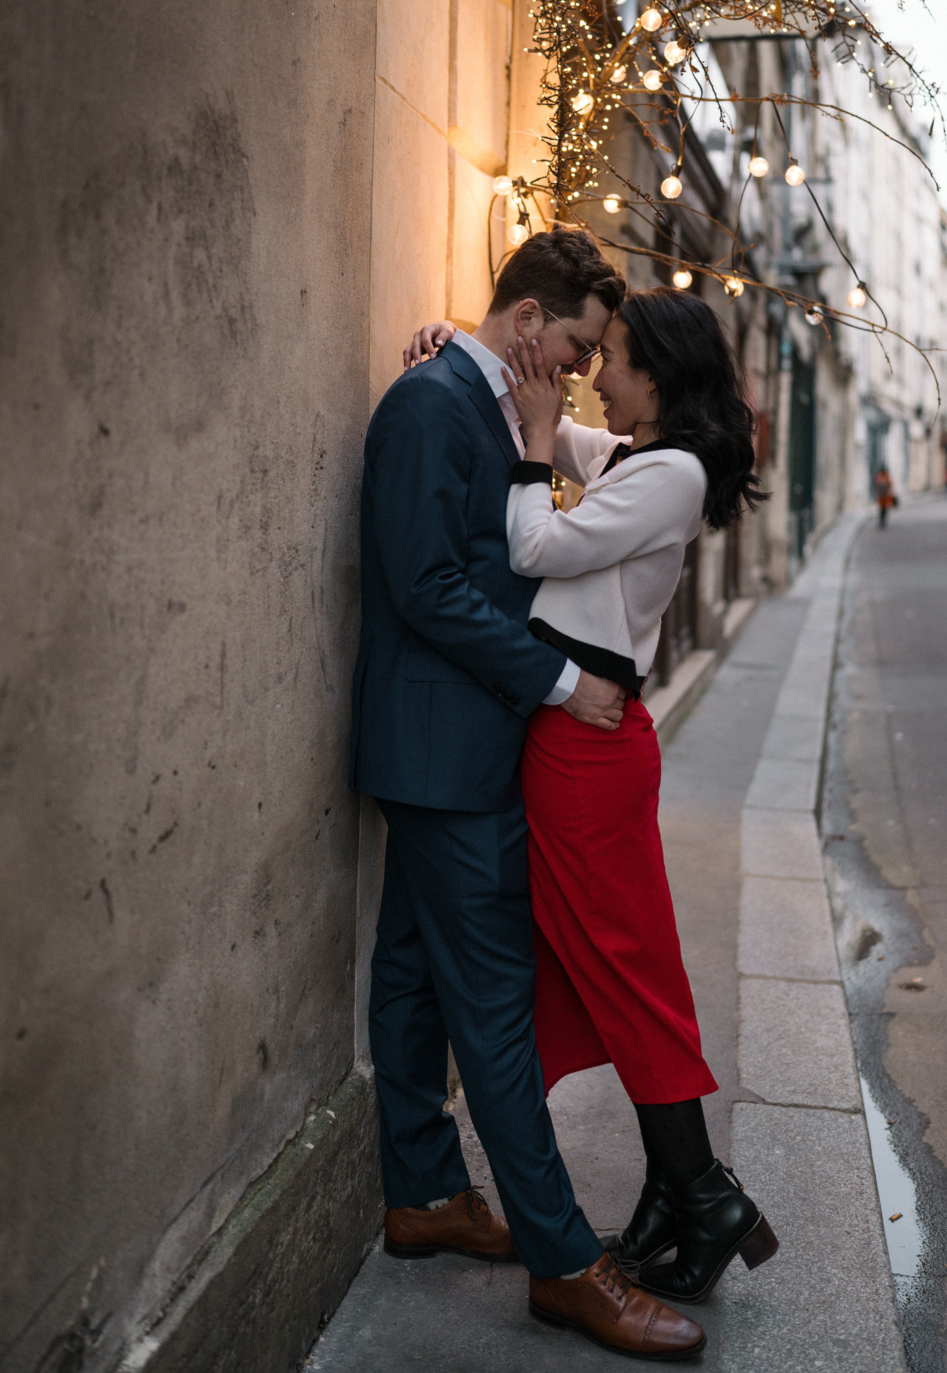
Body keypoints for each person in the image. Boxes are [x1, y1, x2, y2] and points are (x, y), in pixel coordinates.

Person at [352, 227, 704, 1362]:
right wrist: (558, 682)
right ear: (525, 328)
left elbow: (539, 480)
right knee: (494, 1008)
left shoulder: (496, 397)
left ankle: (421, 1195)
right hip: (443, 751)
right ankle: (563, 1262)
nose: (580, 365)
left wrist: (474, 349)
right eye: (573, 343)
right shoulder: (426, 409)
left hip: (458, 748)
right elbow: (425, 585)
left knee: (410, 971)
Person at [411, 288, 779, 1307]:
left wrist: (529, 448)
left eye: (609, 357)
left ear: (654, 374)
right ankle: (680, 1195)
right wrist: (467, 346)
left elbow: (537, 545)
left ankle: (703, 1195)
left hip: (587, 750)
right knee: (603, 964)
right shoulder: (640, 459)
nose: (592, 374)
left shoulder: (667, 474)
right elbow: (555, 422)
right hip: (575, 740)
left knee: (621, 967)